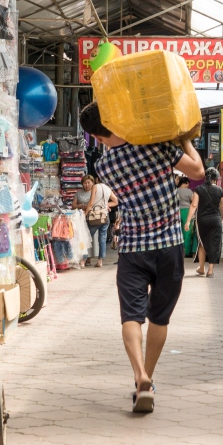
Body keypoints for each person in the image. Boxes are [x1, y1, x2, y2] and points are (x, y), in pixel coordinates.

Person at [79, 102, 204, 413]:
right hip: (170, 246)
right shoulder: (157, 146)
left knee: (131, 316)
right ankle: (149, 377)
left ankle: (139, 376)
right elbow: (198, 171)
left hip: (133, 248)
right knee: (159, 317)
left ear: (97, 136)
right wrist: (185, 138)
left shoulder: (104, 167)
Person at [185, 167, 223, 278]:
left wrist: (188, 221)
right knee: (214, 244)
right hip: (216, 220)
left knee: (202, 243)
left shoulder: (199, 189)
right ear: (216, 179)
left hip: (202, 220)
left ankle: (202, 268)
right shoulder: (220, 190)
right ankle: (210, 271)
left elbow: (194, 205)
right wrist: (221, 218)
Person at [83, 176, 118, 267]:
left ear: (97, 179)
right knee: (102, 239)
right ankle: (100, 261)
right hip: (105, 216)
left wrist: (85, 214)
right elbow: (116, 201)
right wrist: (106, 205)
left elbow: (91, 203)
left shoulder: (95, 187)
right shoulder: (108, 188)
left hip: (95, 217)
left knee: (87, 238)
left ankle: (83, 260)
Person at [72, 175, 97, 266]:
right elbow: (73, 205)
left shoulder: (95, 192)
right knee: (83, 237)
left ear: (92, 183)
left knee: (92, 238)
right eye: (85, 183)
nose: (87, 185)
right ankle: (84, 258)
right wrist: (81, 206)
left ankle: (88, 258)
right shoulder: (78, 193)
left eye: (88, 182)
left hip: (93, 218)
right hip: (81, 219)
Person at [175, 177, 196, 257]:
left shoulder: (175, 190)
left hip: (177, 211)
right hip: (187, 211)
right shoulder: (188, 191)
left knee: (178, 231)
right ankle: (186, 252)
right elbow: (193, 201)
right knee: (187, 231)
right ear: (186, 183)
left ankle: (179, 251)